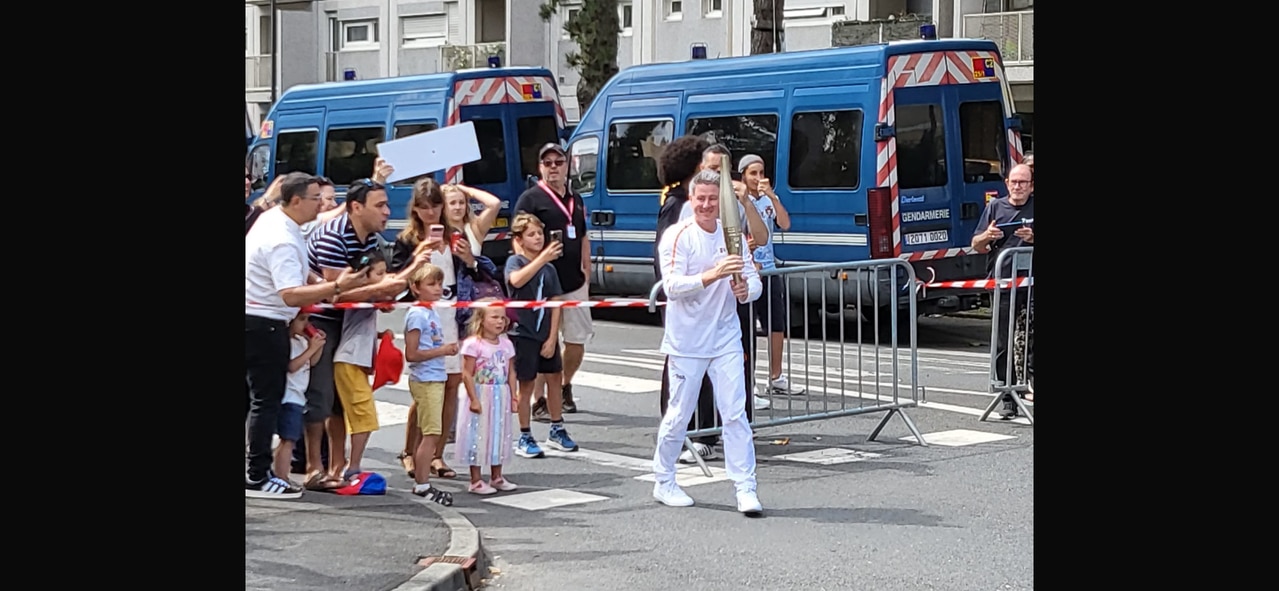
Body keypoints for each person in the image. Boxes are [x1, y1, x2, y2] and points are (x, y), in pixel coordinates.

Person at [245, 171, 370, 499]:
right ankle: (257, 476)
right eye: (316, 198)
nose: (322, 205)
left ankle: (256, 471)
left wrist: (317, 282)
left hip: (259, 319)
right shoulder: (282, 238)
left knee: (257, 400)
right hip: (266, 321)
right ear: (296, 200)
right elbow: (289, 294)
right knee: (265, 401)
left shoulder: (278, 219)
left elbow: (299, 275)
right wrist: (338, 286)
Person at [651, 168, 763, 515]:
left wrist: (745, 290)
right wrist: (712, 275)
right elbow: (671, 287)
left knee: (735, 413)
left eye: (713, 200)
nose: (706, 205)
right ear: (691, 198)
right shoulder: (677, 235)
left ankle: (745, 487)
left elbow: (754, 281)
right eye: (700, 198)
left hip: (726, 337)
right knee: (679, 414)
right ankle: (664, 479)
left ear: (720, 203)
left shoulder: (733, 236)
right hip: (687, 342)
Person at [512, 143, 592, 415]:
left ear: (567, 165)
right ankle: (540, 399)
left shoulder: (577, 199)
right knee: (545, 342)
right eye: (548, 163)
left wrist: (587, 273)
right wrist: (529, 269)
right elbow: (518, 239)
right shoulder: (530, 199)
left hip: (574, 281)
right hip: (544, 282)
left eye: (559, 162)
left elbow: (582, 236)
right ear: (540, 168)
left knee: (577, 340)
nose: (554, 167)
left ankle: (564, 384)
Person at [505, 212, 579, 457]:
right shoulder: (516, 262)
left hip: (544, 332)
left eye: (540, 234)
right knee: (526, 384)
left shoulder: (549, 268)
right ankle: (525, 434)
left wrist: (551, 336)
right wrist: (541, 258)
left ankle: (557, 428)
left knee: (554, 379)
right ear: (520, 239)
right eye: (531, 235)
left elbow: (555, 300)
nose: (538, 238)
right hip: (523, 333)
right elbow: (515, 281)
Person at [971, 163, 1035, 419]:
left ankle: (1029, 384)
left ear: (1032, 186)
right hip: (1004, 281)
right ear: (1007, 183)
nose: (1018, 187)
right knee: (1003, 339)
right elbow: (975, 244)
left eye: (1023, 182)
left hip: (1031, 281)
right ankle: (1007, 395)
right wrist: (988, 235)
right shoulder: (995, 207)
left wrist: (1032, 237)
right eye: (1014, 182)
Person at [738, 154, 802, 395]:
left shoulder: (766, 199)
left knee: (776, 324)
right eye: (752, 173)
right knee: (748, 328)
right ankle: (749, 381)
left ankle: (776, 376)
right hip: (750, 271)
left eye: (761, 172)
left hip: (769, 268)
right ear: (743, 175)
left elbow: (785, 224)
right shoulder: (738, 200)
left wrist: (773, 197)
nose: (757, 178)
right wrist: (747, 244)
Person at [329, 250, 392, 481]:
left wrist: (378, 334)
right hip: (350, 360)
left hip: (355, 359)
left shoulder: (366, 299)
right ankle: (353, 466)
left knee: (358, 416)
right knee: (364, 417)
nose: (385, 277)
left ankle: (347, 463)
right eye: (380, 273)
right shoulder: (360, 297)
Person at [403, 263, 456, 505]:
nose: (437, 289)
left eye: (439, 284)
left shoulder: (431, 312)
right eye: (431, 284)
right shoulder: (417, 314)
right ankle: (422, 484)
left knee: (430, 432)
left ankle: (423, 480)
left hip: (435, 376)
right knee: (431, 433)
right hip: (426, 378)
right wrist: (441, 351)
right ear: (416, 287)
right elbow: (411, 354)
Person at [455, 301, 519, 495]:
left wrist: (514, 396)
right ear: (481, 320)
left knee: (498, 434)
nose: (500, 321)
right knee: (478, 434)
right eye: (494, 317)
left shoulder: (506, 344)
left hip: (500, 394)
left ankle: (497, 475)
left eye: (502, 317)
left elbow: (511, 372)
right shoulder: (473, 344)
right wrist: (473, 398)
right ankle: (475, 479)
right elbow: (467, 373)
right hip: (481, 393)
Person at [275, 310, 326, 481]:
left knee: (291, 438)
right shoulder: (287, 342)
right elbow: (291, 366)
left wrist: (317, 347)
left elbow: (311, 362)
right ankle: (282, 476)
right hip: (289, 396)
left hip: (299, 396)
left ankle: (281, 475)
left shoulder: (302, 341)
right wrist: (311, 349)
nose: (306, 324)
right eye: (302, 319)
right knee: (287, 439)